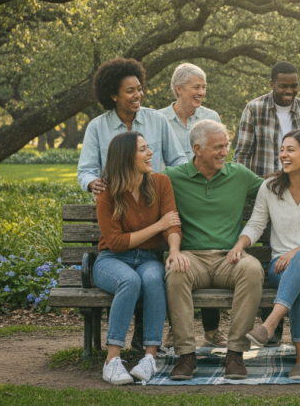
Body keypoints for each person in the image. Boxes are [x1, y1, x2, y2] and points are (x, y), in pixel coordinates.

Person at [233, 61, 300, 345]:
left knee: (299, 258)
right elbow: (242, 154)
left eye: (294, 86)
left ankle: (269, 326)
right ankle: (296, 347)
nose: (289, 91)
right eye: (283, 86)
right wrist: (245, 191)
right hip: (269, 193)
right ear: (272, 84)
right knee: (293, 265)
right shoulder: (254, 109)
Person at [234, 130, 300, 380]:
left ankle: (270, 323)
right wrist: (240, 244)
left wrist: (295, 252)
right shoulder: (270, 187)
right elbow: (256, 223)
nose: (284, 154)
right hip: (281, 267)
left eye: (290, 150)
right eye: (282, 149)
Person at [162, 120, 265, 380]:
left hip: (229, 258)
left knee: (252, 269)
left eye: (226, 146)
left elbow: (275, 188)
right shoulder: (173, 177)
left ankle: (236, 353)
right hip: (191, 258)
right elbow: (138, 188)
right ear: (198, 149)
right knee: (175, 271)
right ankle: (186, 355)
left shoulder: (239, 175)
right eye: (218, 147)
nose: (224, 152)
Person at [92, 132, 187, 385]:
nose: (150, 153)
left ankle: (149, 358)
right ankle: (112, 360)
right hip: (112, 259)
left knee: (155, 279)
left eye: (148, 148)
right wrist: (158, 226)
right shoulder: (107, 192)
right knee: (130, 281)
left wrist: (174, 250)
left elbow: (172, 224)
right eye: (143, 149)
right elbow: (116, 242)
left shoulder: (160, 182)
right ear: (126, 157)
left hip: (147, 258)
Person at [157, 62, 225, 348]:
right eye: (196, 87)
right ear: (179, 89)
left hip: (204, 194)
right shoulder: (159, 119)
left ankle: (211, 330)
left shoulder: (210, 117)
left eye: (204, 87)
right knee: (177, 261)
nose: (201, 92)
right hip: (172, 196)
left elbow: (219, 154)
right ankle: (176, 329)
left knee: (206, 247)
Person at [78, 57, 187, 195]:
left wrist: (165, 182)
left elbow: (178, 160)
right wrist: (91, 181)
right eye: (130, 91)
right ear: (114, 95)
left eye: (139, 89)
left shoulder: (157, 120)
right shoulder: (96, 127)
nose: (138, 95)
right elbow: (86, 171)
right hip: (114, 201)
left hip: (152, 199)